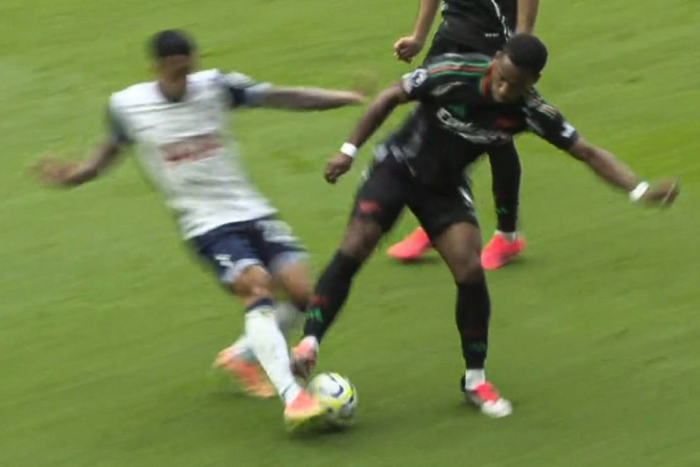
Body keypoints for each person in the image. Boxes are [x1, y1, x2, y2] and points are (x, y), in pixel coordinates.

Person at [291, 34, 679, 418]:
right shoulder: (452, 73)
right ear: (495, 61)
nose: (504, 89)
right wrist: (348, 151)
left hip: (445, 188)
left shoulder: (531, 111)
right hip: (398, 167)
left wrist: (640, 189)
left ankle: (475, 380)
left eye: (516, 85)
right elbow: (390, 96)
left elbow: (587, 152)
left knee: (469, 268)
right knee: (357, 244)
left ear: (533, 82)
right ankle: (310, 343)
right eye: (502, 77)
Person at [33, 29, 365, 430]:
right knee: (256, 288)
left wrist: (342, 97)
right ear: (157, 67)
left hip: (251, 210)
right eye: (175, 71)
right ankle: (293, 398)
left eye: (188, 69)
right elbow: (103, 157)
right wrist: (72, 175)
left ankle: (241, 357)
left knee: (302, 296)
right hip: (205, 224)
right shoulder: (128, 106)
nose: (183, 79)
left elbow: (279, 96)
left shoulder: (216, 86)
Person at [388, 0, 540, 269]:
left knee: (496, 136)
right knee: (434, 123)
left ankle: (507, 236)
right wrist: (419, 36)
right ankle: (442, 221)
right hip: (452, 35)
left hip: (494, 42)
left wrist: (521, 42)